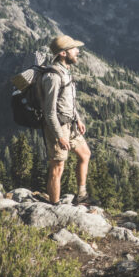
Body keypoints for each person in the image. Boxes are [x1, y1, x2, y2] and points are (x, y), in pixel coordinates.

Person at [41, 35, 92, 205]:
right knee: (57, 167)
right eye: (74, 49)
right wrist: (59, 136)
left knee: (85, 154)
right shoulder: (53, 77)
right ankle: (54, 207)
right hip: (58, 127)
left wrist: (78, 119)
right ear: (63, 53)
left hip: (70, 124)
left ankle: (81, 195)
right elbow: (49, 112)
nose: (78, 51)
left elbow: (68, 100)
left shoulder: (66, 71)